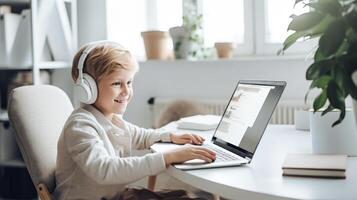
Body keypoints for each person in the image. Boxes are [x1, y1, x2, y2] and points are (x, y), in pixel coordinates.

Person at [53, 41, 216, 200]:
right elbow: (105, 170)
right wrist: (168, 158)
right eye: (117, 83)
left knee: (186, 197)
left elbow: (142, 136)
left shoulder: (111, 119)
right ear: (88, 88)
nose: (126, 91)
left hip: (114, 196)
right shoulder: (81, 125)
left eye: (129, 82)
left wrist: (170, 137)